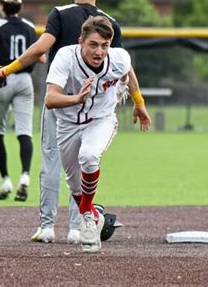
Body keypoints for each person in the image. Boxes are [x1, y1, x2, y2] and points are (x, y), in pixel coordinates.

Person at [0, 0, 151, 244]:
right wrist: (138, 102)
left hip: (61, 99)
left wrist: (6, 70)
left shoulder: (60, 13)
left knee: (53, 160)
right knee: (80, 163)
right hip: (93, 105)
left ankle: (46, 227)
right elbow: (125, 67)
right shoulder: (110, 22)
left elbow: (41, 49)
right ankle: (77, 228)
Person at [45, 15, 148, 252]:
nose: (99, 51)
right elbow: (50, 99)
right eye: (93, 44)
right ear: (81, 42)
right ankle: (91, 212)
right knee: (74, 187)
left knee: (90, 156)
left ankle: (88, 221)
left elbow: (128, 71)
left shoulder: (118, 58)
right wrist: (76, 98)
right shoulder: (65, 57)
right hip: (68, 124)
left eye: (104, 45)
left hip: (101, 120)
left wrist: (139, 101)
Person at [0, 0, 45, 201]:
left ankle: (5, 179)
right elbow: (42, 57)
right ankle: (25, 176)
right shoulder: (29, 26)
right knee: (24, 131)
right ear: (20, 4)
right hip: (25, 81)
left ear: (1, 5)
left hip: (2, 80)